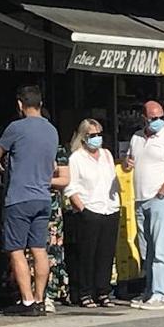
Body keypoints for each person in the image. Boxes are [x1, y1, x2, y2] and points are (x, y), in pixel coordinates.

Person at [0, 86, 63, 316]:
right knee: (40, 250)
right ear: (40, 104)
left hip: (19, 197)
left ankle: (27, 300)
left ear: (20, 105)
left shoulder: (16, 127)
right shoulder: (52, 130)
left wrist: (1, 164)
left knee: (16, 250)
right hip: (43, 196)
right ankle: (41, 299)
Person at [128, 101, 164, 310]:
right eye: (153, 118)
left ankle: (160, 294)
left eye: (160, 117)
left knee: (161, 248)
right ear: (144, 118)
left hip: (161, 199)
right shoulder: (136, 137)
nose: (157, 121)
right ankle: (150, 290)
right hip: (140, 199)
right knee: (148, 249)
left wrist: (162, 192)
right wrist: (126, 163)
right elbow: (130, 161)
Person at [62, 118, 120, 308]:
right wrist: (83, 209)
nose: (97, 138)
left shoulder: (106, 155)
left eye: (99, 134)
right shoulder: (76, 158)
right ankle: (85, 292)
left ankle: (103, 291)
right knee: (86, 254)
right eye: (92, 135)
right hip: (89, 210)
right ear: (84, 137)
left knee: (106, 254)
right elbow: (71, 188)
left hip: (109, 209)